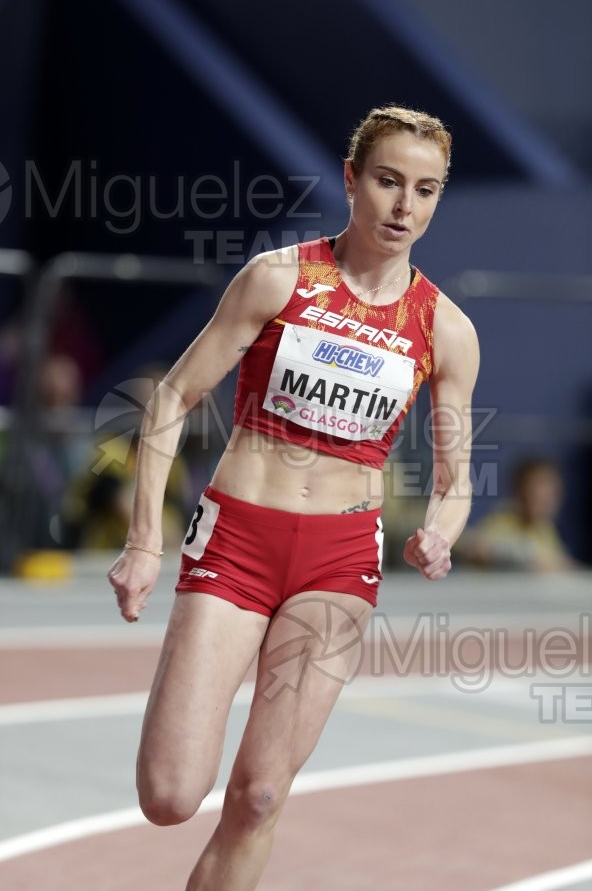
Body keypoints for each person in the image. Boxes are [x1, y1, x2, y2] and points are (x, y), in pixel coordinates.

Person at [108, 104, 479, 890]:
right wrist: (145, 541)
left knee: (262, 794)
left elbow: (455, 487)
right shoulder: (280, 278)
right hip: (238, 541)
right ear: (351, 181)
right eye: (387, 182)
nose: (405, 207)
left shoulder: (446, 330)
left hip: (340, 561)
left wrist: (441, 533)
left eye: (426, 189)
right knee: (171, 795)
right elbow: (172, 398)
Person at [456, 456, 578, 571]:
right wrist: (531, 560)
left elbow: (561, 566)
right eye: (538, 494)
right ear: (520, 492)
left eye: (551, 495)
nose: (546, 503)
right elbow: (476, 548)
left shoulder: (545, 530)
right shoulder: (501, 524)